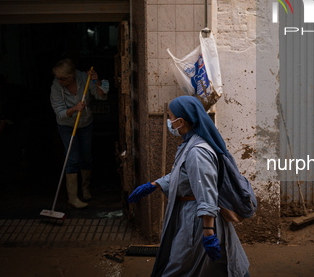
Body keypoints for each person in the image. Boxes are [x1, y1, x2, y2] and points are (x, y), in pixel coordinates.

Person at [128, 96, 250, 277]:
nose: (169, 122)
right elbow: (184, 175)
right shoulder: (190, 144)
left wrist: (208, 233)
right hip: (195, 217)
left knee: (178, 267)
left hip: (197, 221)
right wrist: (155, 185)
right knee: (213, 267)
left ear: (181, 121)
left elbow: (206, 193)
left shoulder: (197, 152)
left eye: (170, 118)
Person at [50, 59, 108, 209]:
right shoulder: (56, 87)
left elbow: (101, 96)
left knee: (86, 156)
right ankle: (73, 197)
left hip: (85, 123)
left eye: (64, 78)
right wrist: (74, 109)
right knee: (72, 158)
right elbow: (60, 113)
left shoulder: (84, 78)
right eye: (58, 78)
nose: (60, 81)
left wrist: (96, 81)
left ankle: (85, 189)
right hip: (66, 126)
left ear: (72, 75)